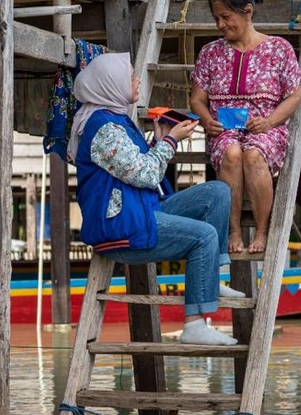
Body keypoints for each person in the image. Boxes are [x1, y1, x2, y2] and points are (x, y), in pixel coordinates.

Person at [69, 51, 243, 346]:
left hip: (142, 211)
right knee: (204, 235)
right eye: (130, 76)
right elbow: (146, 174)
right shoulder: (104, 129)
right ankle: (194, 324)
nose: (136, 80)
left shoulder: (117, 119)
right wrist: (171, 141)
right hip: (123, 228)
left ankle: (210, 279)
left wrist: (158, 141)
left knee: (218, 192)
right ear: (111, 84)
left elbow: (132, 165)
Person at [190, 0, 301, 255]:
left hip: (266, 127)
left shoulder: (279, 49)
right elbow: (197, 99)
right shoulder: (210, 52)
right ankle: (234, 229)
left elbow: (294, 96)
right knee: (231, 153)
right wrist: (206, 120)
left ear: (247, 12)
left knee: (253, 154)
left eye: (226, 17)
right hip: (223, 129)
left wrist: (270, 122)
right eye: (216, 18)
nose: (220, 25)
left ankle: (262, 231)